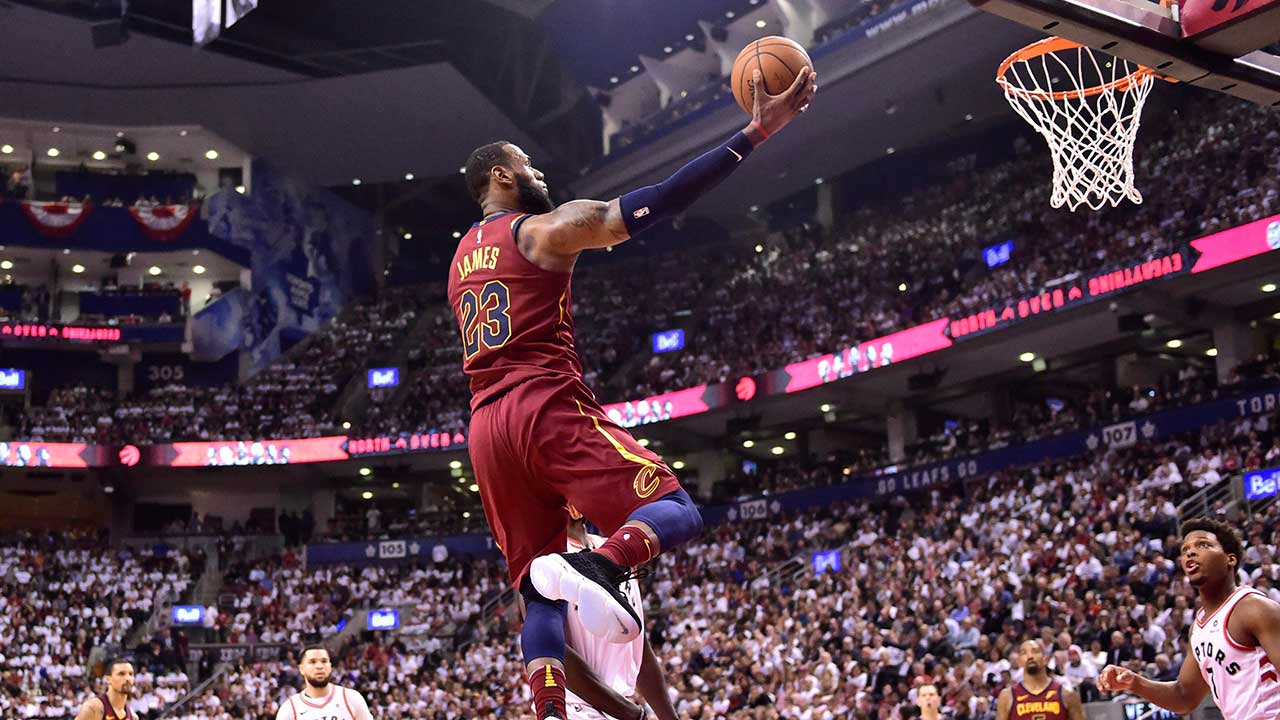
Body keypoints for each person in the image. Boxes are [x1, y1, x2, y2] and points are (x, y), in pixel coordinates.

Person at [450, 63, 817, 720]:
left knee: (537, 593)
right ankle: (608, 565)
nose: (538, 174)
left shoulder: (457, 261)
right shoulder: (536, 230)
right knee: (676, 506)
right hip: (544, 406)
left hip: (485, 429)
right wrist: (754, 133)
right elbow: (657, 202)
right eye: (527, 165)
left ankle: (549, 713)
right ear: (500, 176)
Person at [1098, 518, 1280, 720]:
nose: (1190, 553)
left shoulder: (1254, 608)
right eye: (1185, 550)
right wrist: (1134, 682)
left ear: (1230, 559)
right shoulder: (1199, 627)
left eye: (1204, 545)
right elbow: (1184, 698)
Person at [274, 645, 372, 720]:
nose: (319, 666)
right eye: (312, 662)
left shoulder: (352, 698)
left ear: (330, 666)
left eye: (324, 661)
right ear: (302, 669)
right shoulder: (289, 708)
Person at [996, 641, 1085, 720]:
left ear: (1045, 659)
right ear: (1019, 662)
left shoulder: (1067, 695)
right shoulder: (1007, 696)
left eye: (1035, 651)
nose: (1030, 656)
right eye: (1024, 653)